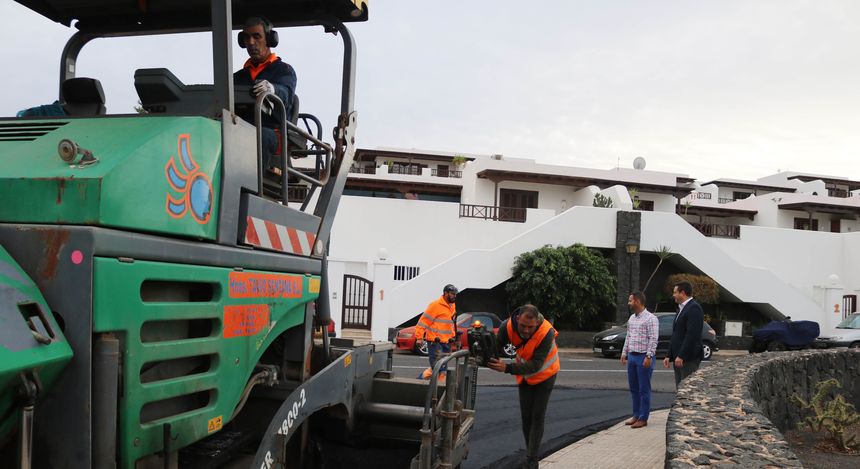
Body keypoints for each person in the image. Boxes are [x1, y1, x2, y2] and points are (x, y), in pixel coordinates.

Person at [488, 305, 559, 469]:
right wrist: (486, 355)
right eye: (523, 326)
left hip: (546, 374)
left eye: (530, 327)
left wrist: (507, 368)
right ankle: (530, 452)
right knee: (526, 417)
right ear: (517, 319)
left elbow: (536, 365)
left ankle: (532, 461)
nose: (526, 331)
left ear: (536, 323)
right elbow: (497, 347)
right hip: (525, 375)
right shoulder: (507, 326)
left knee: (537, 416)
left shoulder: (546, 332)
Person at [234, 16, 297, 171]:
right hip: (239, 128)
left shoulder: (283, 70)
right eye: (247, 38)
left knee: (258, 136)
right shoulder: (237, 77)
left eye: (257, 36)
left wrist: (273, 89)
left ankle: (252, 184)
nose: (251, 42)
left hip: (272, 132)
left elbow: (287, 95)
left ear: (269, 39)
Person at [620, 291, 658, 429]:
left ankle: (643, 418)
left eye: (630, 301)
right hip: (632, 356)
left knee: (644, 389)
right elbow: (628, 337)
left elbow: (653, 339)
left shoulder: (651, 319)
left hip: (644, 357)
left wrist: (649, 356)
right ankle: (636, 415)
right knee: (634, 389)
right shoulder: (632, 318)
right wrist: (624, 353)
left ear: (637, 301)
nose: (628, 303)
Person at [663, 280, 704, 386]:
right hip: (678, 358)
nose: (673, 295)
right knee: (679, 389)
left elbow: (692, 335)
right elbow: (676, 333)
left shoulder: (694, 308)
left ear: (683, 293)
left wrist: (682, 355)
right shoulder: (681, 309)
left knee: (686, 389)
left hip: (688, 359)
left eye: (675, 292)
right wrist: (669, 355)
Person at [414, 284, 458, 372]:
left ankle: (423, 378)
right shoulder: (435, 305)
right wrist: (419, 338)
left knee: (441, 367)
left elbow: (450, 323)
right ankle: (438, 384)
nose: (455, 296)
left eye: (455, 294)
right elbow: (423, 322)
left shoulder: (452, 306)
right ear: (446, 293)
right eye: (452, 294)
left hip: (446, 342)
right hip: (435, 342)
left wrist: (453, 336)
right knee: (439, 368)